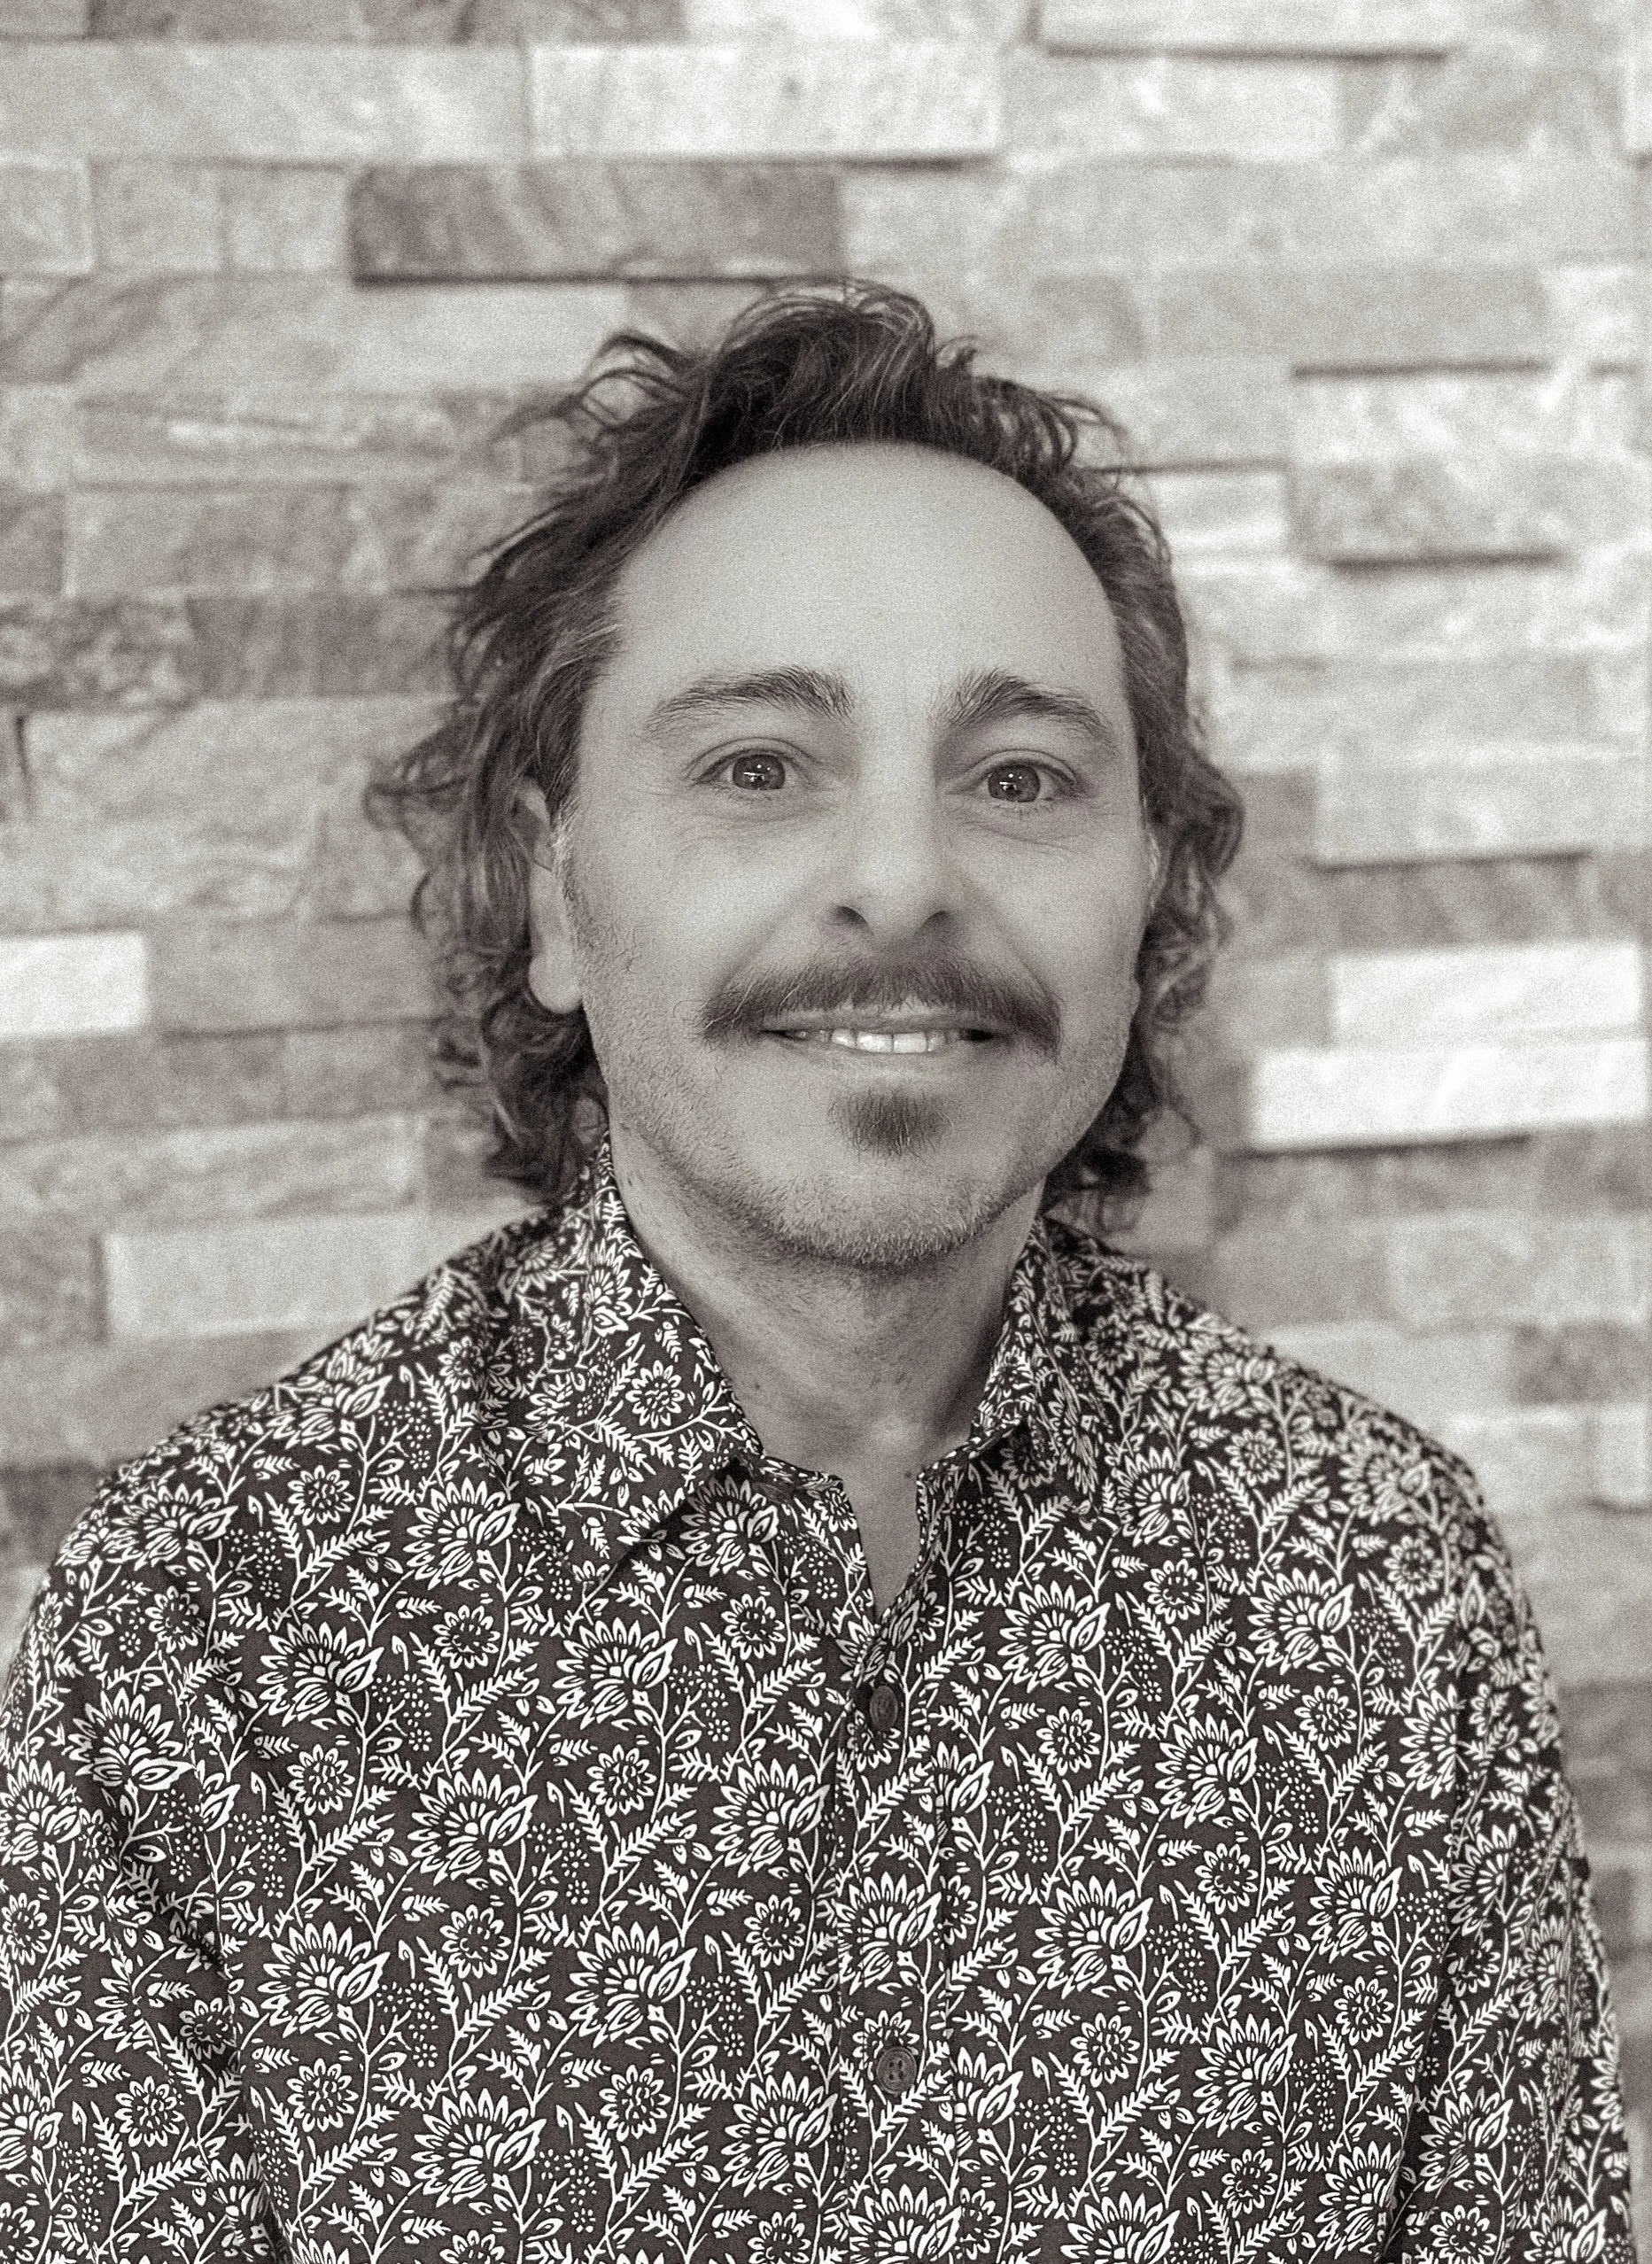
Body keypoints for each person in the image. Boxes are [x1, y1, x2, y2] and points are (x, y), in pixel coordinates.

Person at [0, 283, 1634, 2264]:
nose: (899, 879)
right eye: (759, 764)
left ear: (1150, 895)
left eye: (1019, 776)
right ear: (549, 893)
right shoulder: (199, 1647)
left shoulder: (1377, 1582)